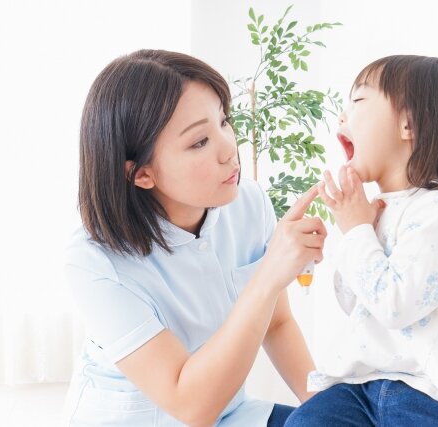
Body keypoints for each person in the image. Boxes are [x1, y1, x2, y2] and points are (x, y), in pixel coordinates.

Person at [63, 49, 326, 427]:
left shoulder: (249, 203)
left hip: (231, 413)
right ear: (140, 174)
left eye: (224, 121)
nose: (229, 148)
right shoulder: (93, 261)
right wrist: (268, 275)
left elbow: (278, 323)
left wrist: (332, 411)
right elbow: (190, 408)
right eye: (199, 141)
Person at [284, 55, 438, 426]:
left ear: (408, 124)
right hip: (362, 385)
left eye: (358, 101)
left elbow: (395, 305)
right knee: (305, 421)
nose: (341, 118)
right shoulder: (379, 211)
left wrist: (358, 232)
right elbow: (354, 301)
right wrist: (356, 232)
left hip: (428, 392)